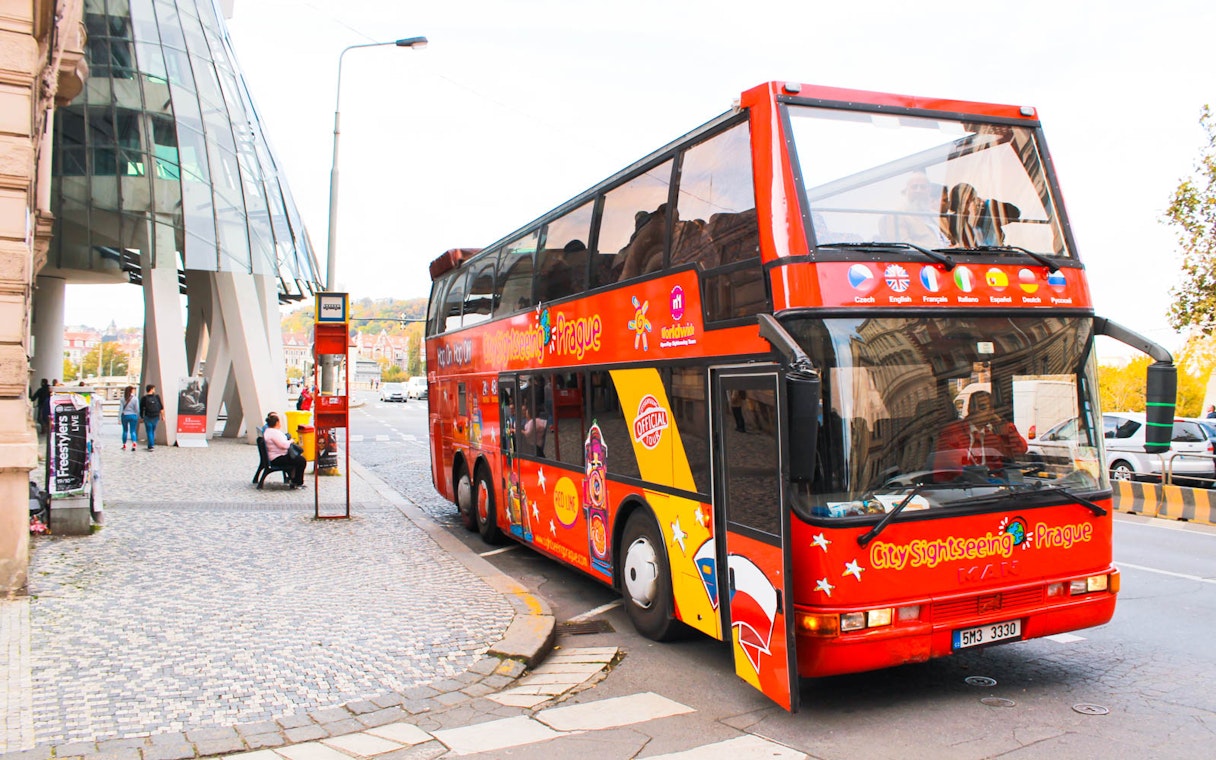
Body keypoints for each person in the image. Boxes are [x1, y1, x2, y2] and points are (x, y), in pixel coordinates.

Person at [932, 389, 1027, 479]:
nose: (975, 411)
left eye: (982, 407)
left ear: (991, 412)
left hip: (991, 486)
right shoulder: (954, 432)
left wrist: (1004, 425)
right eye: (972, 407)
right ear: (968, 409)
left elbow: (1020, 451)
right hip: (959, 486)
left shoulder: (992, 436)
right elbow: (950, 466)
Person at [878, 172, 950, 248]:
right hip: (926, 255)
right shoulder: (896, 216)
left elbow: (952, 239)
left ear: (929, 191)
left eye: (923, 187)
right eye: (914, 187)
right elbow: (903, 245)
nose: (918, 190)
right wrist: (937, 248)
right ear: (906, 190)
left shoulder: (937, 216)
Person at [263, 412, 306, 488]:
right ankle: (297, 482)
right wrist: (291, 441)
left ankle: (293, 478)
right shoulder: (274, 433)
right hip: (277, 458)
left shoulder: (268, 431)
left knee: (297, 458)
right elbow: (284, 445)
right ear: (277, 423)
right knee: (301, 460)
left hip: (274, 456)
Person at [139, 383, 165, 450]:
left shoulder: (144, 398)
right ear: (151, 389)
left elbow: (141, 408)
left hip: (147, 416)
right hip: (155, 416)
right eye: (154, 389)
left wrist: (141, 417)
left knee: (149, 431)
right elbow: (161, 407)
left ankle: (151, 445)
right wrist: (163, 416)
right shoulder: (157, 397)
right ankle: (151, 444)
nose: (154, 390)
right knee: (153, 430)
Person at [120, 385, 140, 451]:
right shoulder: (135, 398)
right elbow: (137, 409)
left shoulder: (123, 398)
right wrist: (138, 416)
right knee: (133, 431)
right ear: (131, 391)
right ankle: (134, 443)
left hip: (125, 415)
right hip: (133, 415)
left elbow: (121, 409)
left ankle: (124, 445)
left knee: (125, 431)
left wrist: (119, 418)